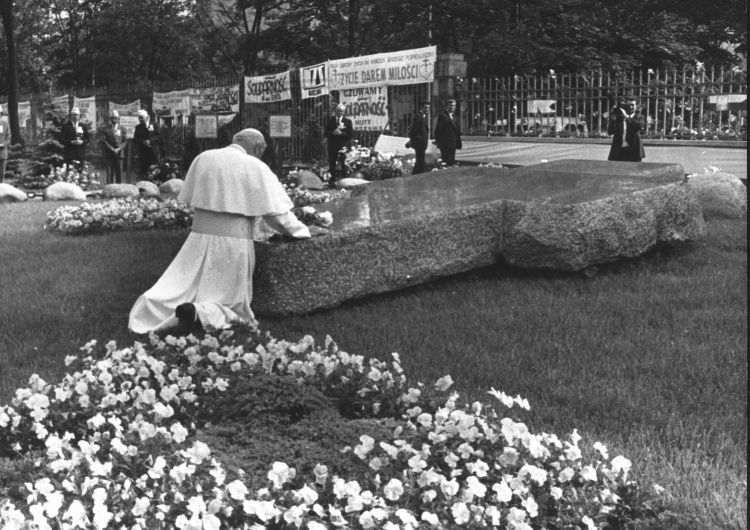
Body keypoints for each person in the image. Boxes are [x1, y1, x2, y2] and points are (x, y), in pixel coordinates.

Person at [128, 128, 320, 335]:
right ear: (258, 147)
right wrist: (304, 231)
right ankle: (202, 313)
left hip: (197, 239)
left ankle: (162, 307)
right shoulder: (256, 166)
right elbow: (278, 218)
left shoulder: (203, 158)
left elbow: (189, 199)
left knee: (183, 284)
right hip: (233, 243)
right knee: (230, 299)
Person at [323, 103, 353, 186]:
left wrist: (341, 133)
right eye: (338, 111)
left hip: (343, 146)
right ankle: (332, 181)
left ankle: (344, 181)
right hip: (332, 146)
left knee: (344, 163)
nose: (339, 112)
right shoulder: (330, 120)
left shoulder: (348, 121)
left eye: (341, 111)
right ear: (335, 111)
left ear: (344, 112)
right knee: (332, 163)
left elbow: (350, 134)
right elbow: (325, 133)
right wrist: (333, 132)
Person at [607, 97, 645, 162]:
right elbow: (610, 131)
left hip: (634, 151)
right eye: (628, 105)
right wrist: (613, 118)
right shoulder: (619, 119)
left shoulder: (640, 117)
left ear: (636, 106)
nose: (630, 107)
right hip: (619, 151)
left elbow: (638, 126)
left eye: (632, 105)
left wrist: (626, 116)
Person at [100, 110, 128, 184]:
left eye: (115, 118)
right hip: (109, 154)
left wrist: (119, 148)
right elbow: (103, 141)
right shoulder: (105, 128)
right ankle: (109, 190)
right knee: (109, 174)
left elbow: (125, 141)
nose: (114, 120)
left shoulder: (123, 129)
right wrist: (112, 149)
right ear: (110, 119)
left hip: (119, 154)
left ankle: (119, 191)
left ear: (118, 119)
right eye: (112, 118)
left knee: (119, 174)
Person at [434, 98, 462, 166]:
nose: (452, 107)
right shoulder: (443, 116)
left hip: (453, 144)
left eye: (454, 105)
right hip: (446, 144)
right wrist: (440, 142)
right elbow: (438, 130)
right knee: (446, 162)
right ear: (446, 106)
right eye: (450, 105)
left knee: (451, 162)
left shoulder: (453, 116)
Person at [133, 109, 161, 177]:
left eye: (141, 118)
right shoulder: (138, 127)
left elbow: (159, 136)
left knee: (154, 171)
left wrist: (150, 141)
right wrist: (143, 142)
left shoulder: (155, 125)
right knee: (144, 171)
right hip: (143, 153)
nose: (140, 119)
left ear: (147, 117)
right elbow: (135, 139)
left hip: (153, 153)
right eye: (139, 118)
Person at [60, 107, 90, 172]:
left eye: (77, 115)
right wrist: (71, 142)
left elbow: (87, 139)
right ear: (71, 116)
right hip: (70, 154)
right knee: (70, 175)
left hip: (80, 154)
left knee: (80, 175)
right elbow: (61, 139)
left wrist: (82, 142)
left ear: (79, 116)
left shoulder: (83, 126)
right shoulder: (66, 126)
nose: (75, 116)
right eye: (74, 115)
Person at [406, 100, 430, 175]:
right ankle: (416, 176)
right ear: (421, 108)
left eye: (428, 108)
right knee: (420, 161)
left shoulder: (422, 116)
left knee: (420, 161)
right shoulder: (418, 116)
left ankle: (415, 175)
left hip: (421, 143)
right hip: (419, 144)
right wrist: (417, 140)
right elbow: (414, 130)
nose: (427, 109)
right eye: (425, 108)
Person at [0, 104, 9, 183]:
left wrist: (3, 144)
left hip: (2, 152)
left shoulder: (5, 124)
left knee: (2, 173)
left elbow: (8, 138)